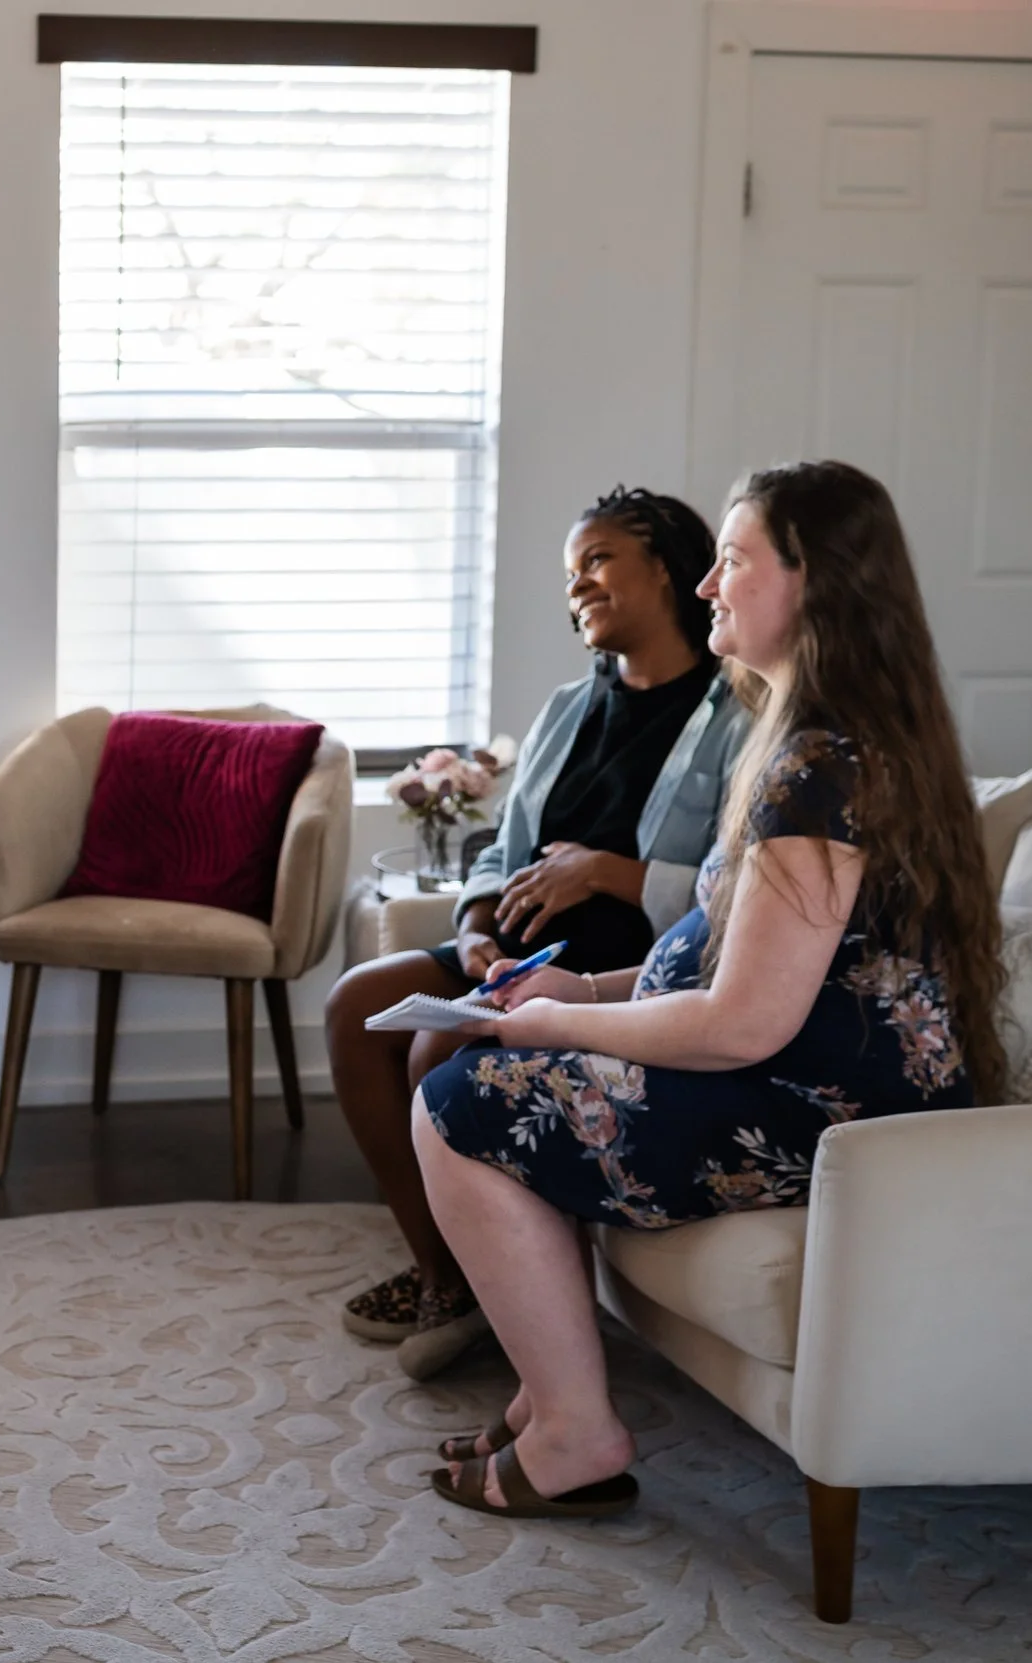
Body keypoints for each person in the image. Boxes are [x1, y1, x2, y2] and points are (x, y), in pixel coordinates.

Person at [412, 459, 1004, 1520]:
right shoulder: (815, 743)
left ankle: (575, 1435)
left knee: (459, 1105)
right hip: (805, 1081)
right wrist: (582, 988)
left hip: (824, 1112)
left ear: (812, 582)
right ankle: (547, 1395)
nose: (705, 585)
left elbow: (741, 1022)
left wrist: (550, 1021)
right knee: (490, 1062)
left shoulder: (818, 768)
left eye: (731, 560)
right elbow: (733, 952)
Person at [325, 488, 750, 1377]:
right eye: (570, 574)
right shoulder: (566, 707)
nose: (578, 586)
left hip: (626, 967)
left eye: (597, 561)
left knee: (434, 1048)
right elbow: (502, 847)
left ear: (668, 567)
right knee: (359, 1002)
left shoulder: (735, 715)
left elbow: (736, 892)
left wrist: (603, 872)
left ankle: (486, 1283)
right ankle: (450, 1277)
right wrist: (477, 928)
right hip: (516, 953)